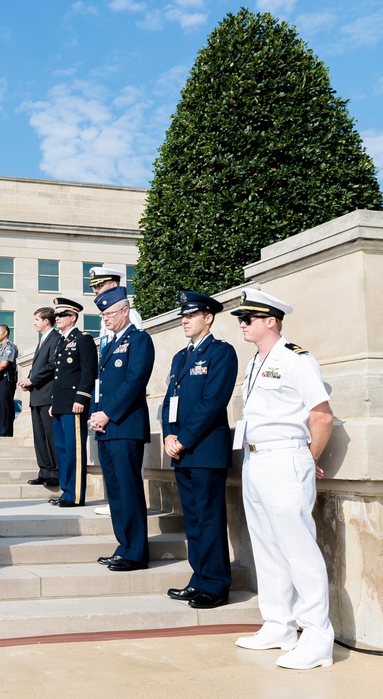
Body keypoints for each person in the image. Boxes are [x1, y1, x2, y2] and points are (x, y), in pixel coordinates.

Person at [230, 289, 335, 670]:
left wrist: (306, 460)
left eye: (249, 318)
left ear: (271, 321)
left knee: (298, 550)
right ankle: (278, 624)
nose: (243, 324)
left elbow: (322, 416)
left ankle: (318, 637)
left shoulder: (295, 358)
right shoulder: (255, 362)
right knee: (268, 547)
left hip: (285, 458)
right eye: (241, 319)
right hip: (256, 460)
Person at [161, 292, 237, 609]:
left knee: (209, 519)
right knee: (193, 521)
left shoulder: (221, 353)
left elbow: (213, 402)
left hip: (204, 449)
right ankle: (199, 579)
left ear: (208, 318)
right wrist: (168, 435)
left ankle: (216, 585)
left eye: (191, 315)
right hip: (181, 450)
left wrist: (184, 438)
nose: (185, 320)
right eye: (183, 315)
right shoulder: (180, 357)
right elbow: (169, 402)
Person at [89, 286, 154, 572]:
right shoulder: (108, 343)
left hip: (125, 426)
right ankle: (124, 546)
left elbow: (134, 382)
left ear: (125, 311)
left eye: (110, 313)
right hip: (105, 427)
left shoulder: (139, 340)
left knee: (128, 489)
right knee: (115, 491)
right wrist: (95, 414)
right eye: (103, 314)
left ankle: (137, 552)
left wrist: (108, 413)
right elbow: (99, 385)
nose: (105, 319)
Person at [47, 298, 96, 508]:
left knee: (74, 449)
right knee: (62, 450)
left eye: (61, 315)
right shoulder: (60, 341)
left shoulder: (83, 339)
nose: (57, 319)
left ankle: (75, 495)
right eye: (56, 316)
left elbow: (88, 371)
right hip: (60, 404)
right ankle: (66, 491)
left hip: (74, 404)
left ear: (73, 317)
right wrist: (53, 403)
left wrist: (81, 398)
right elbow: (59, 376)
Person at [18, 307, 60, 488]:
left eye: (37, 319)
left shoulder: (56, 339)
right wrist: (29, 382)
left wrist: (32, 379)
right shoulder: (42, 340)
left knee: (50, 436)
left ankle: (55, 473)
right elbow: (38, 366)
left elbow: (52, 365)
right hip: (37, 394)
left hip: (47, 395)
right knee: (39, 436)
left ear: (46, 321)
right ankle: (44, 471)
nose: (35, 322)